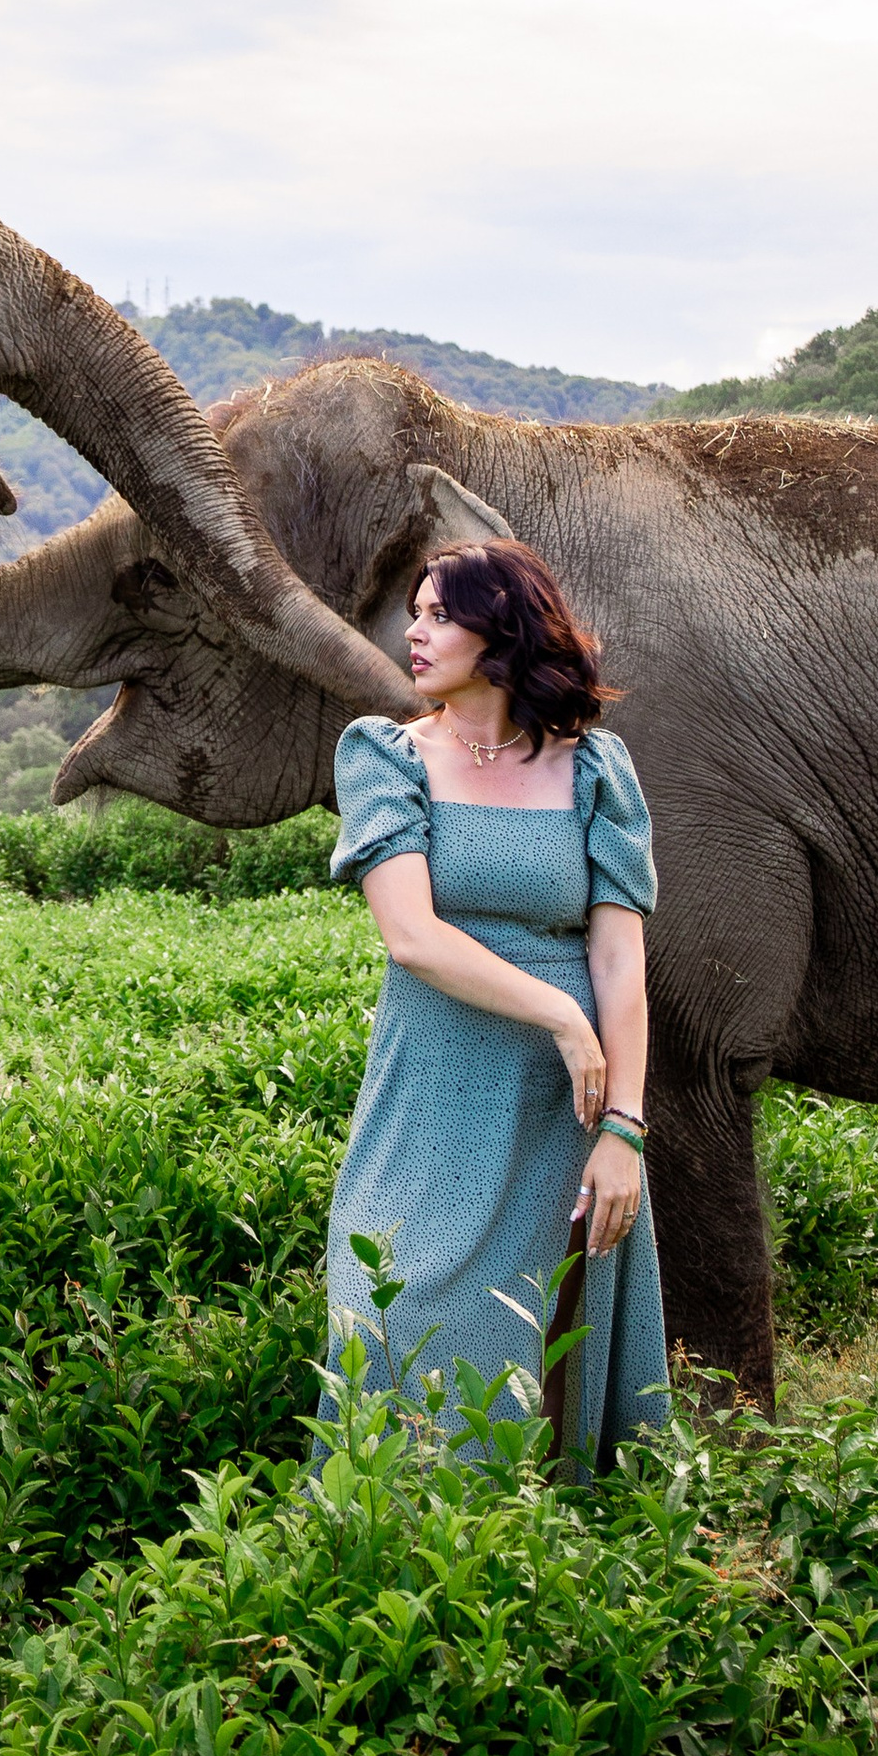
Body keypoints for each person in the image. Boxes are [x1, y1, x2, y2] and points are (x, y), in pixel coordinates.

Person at [325, 537, 669, 1472]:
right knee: (386, 1296)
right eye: (417, 612)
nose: (415, 633)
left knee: (550, 1324)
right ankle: (397, 1552)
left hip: (572, 1103)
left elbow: (617, 957)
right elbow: (414, 936)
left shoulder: (596, 768)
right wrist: (560, 1018)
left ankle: (547, 1568)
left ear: (504, 630)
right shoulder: (384, 756)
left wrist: (625, 1130)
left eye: (441, 614)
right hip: (434, 1080)